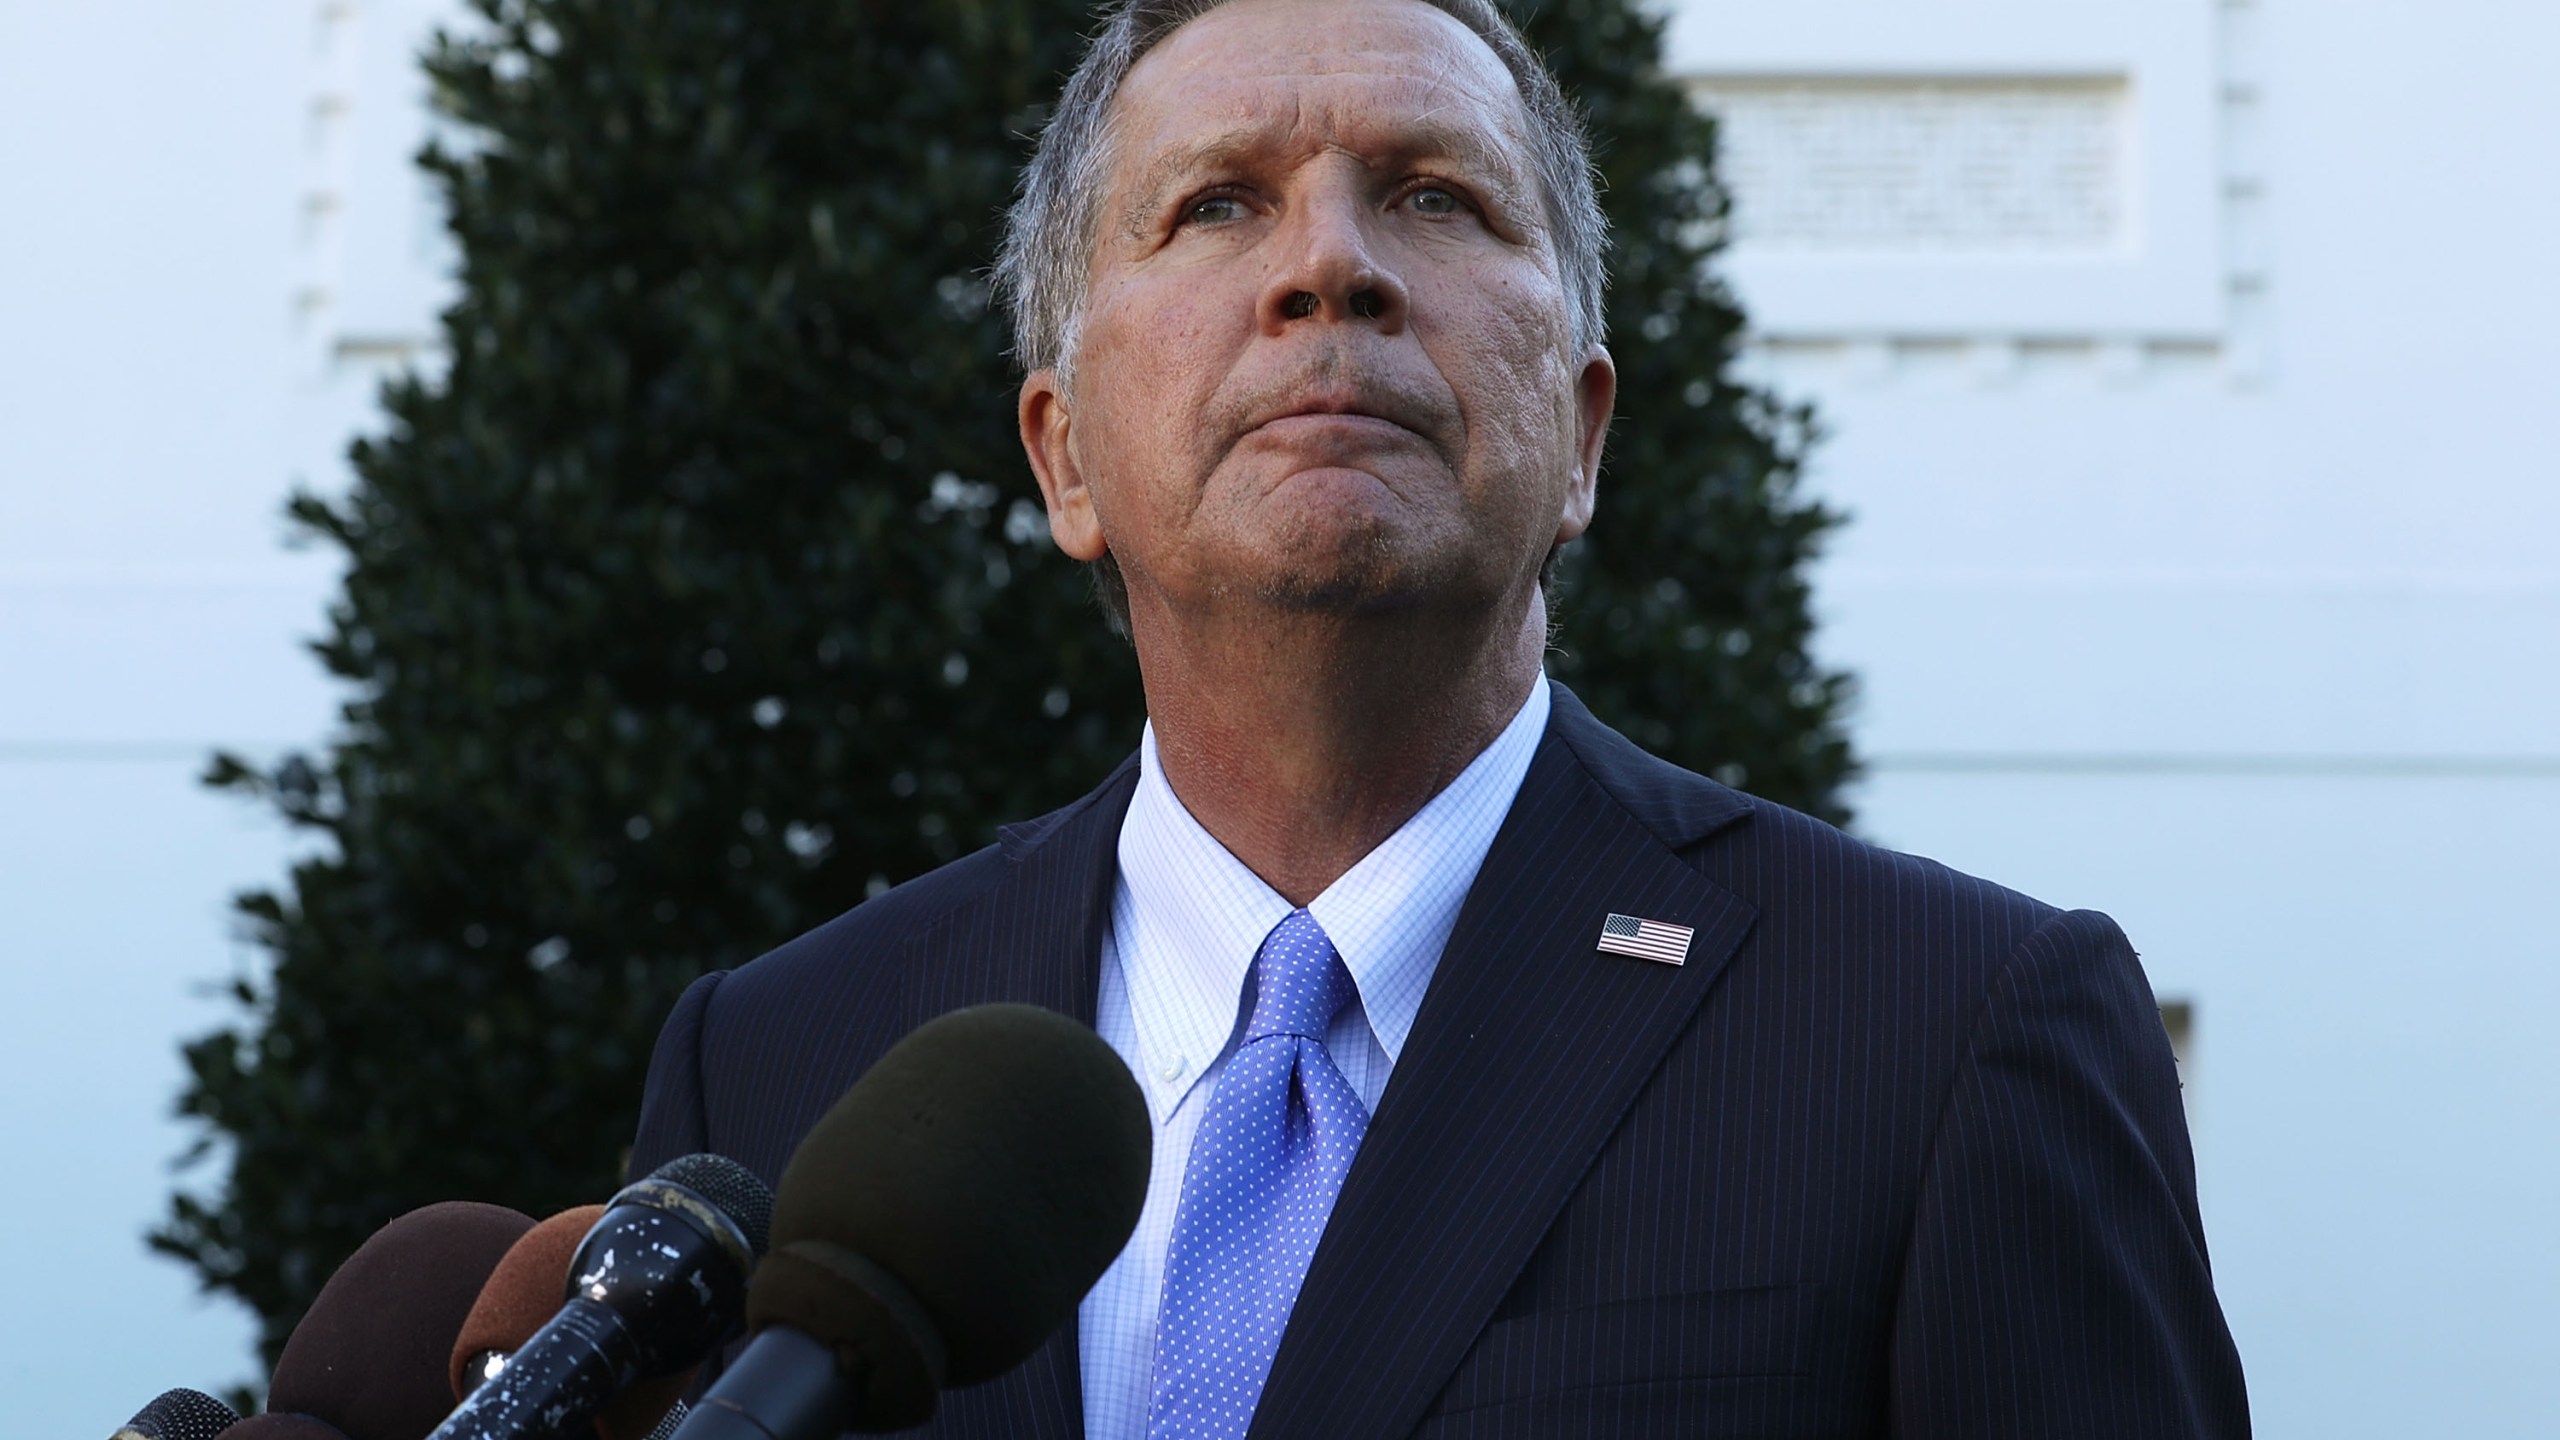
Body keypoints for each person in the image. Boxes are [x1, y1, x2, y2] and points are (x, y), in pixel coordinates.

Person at [630, 0, 2252, 1435]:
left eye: (1435, 196)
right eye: (1215, 204)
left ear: (1583, 436)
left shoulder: (1944, 1031)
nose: (1330, 264)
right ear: (1064, 457)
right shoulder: (778, 1064)